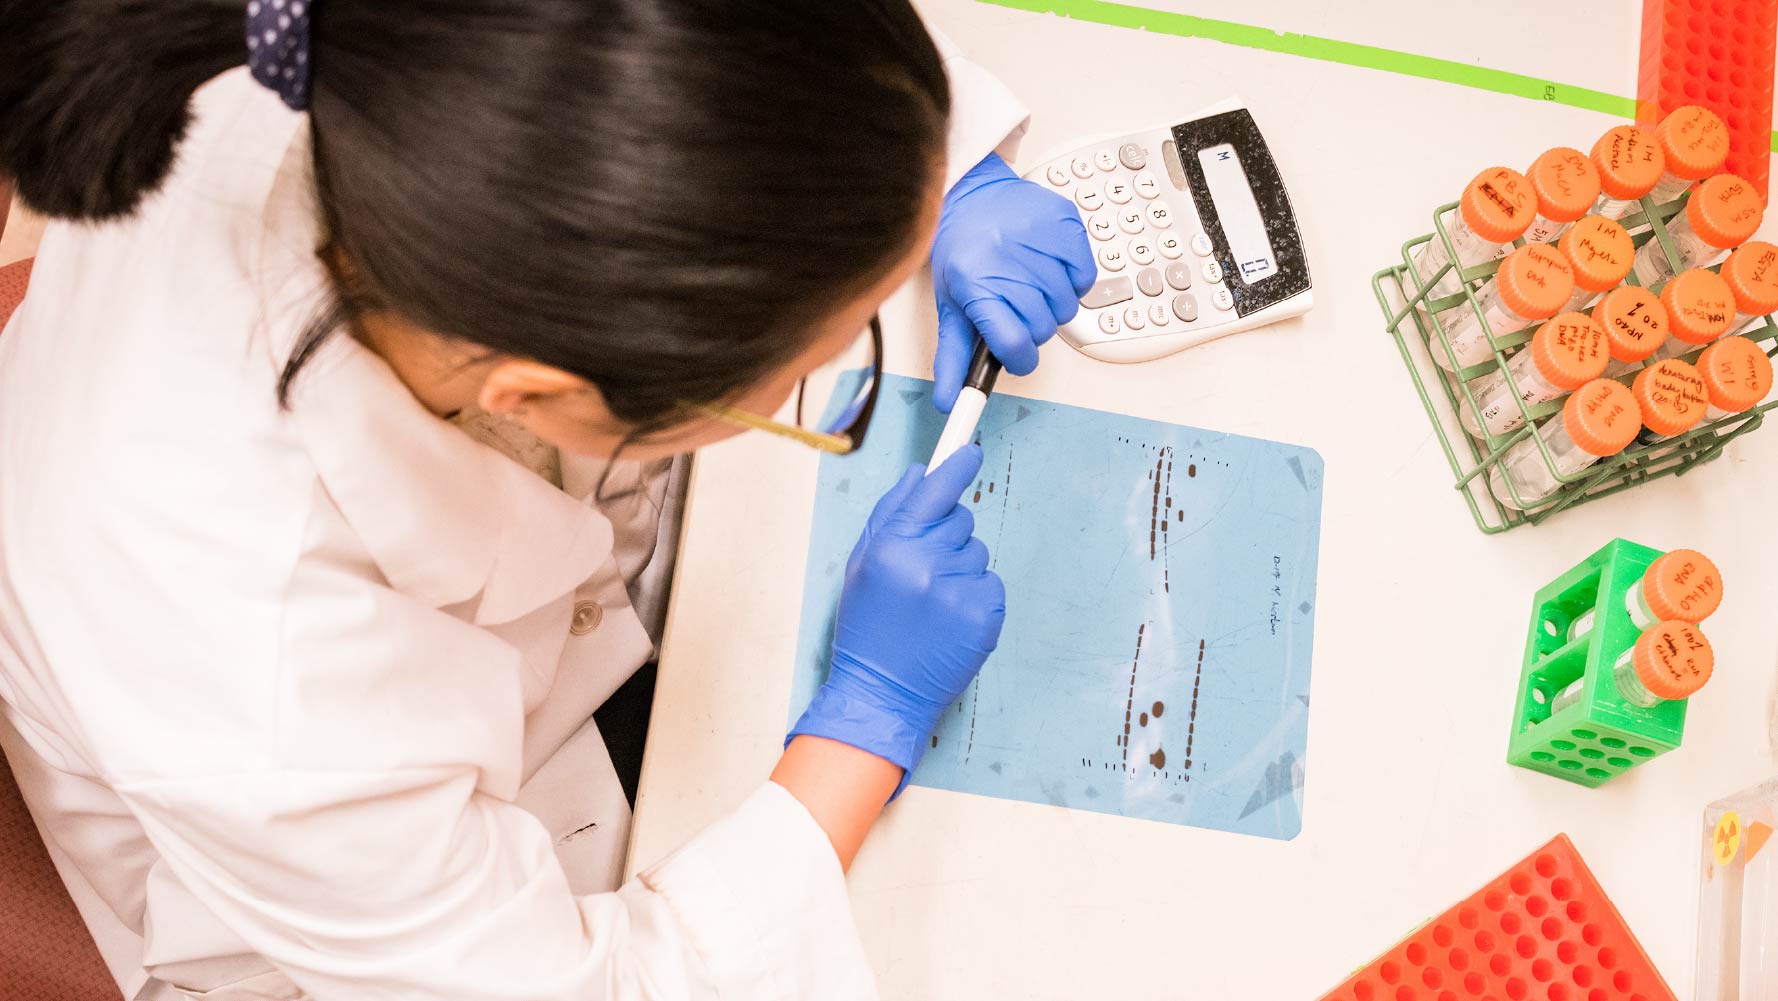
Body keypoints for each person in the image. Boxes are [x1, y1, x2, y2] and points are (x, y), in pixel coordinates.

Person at [0, 1, 1095, 999]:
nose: (816, 381)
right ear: (537, 395)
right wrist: (861, 729)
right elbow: (579, 986)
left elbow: (653, 54)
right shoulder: (270, 686)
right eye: (804, 372)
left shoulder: (409, 55)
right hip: (350, 908)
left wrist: (929, 170)